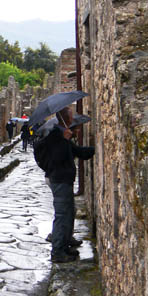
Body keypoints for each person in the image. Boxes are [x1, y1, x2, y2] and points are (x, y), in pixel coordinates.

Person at [41, 106, 95, 263]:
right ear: (66, 118)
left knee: (69, 212)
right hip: (59, 180)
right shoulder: (55, 135)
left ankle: (64, 244)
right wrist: (65, 140)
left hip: (65, 179)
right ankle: (57, 252)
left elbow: (78, 152)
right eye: (71, 115)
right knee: (62, 215)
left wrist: (94, 149)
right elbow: (57, 158)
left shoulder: (64, 134)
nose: (73, 118)